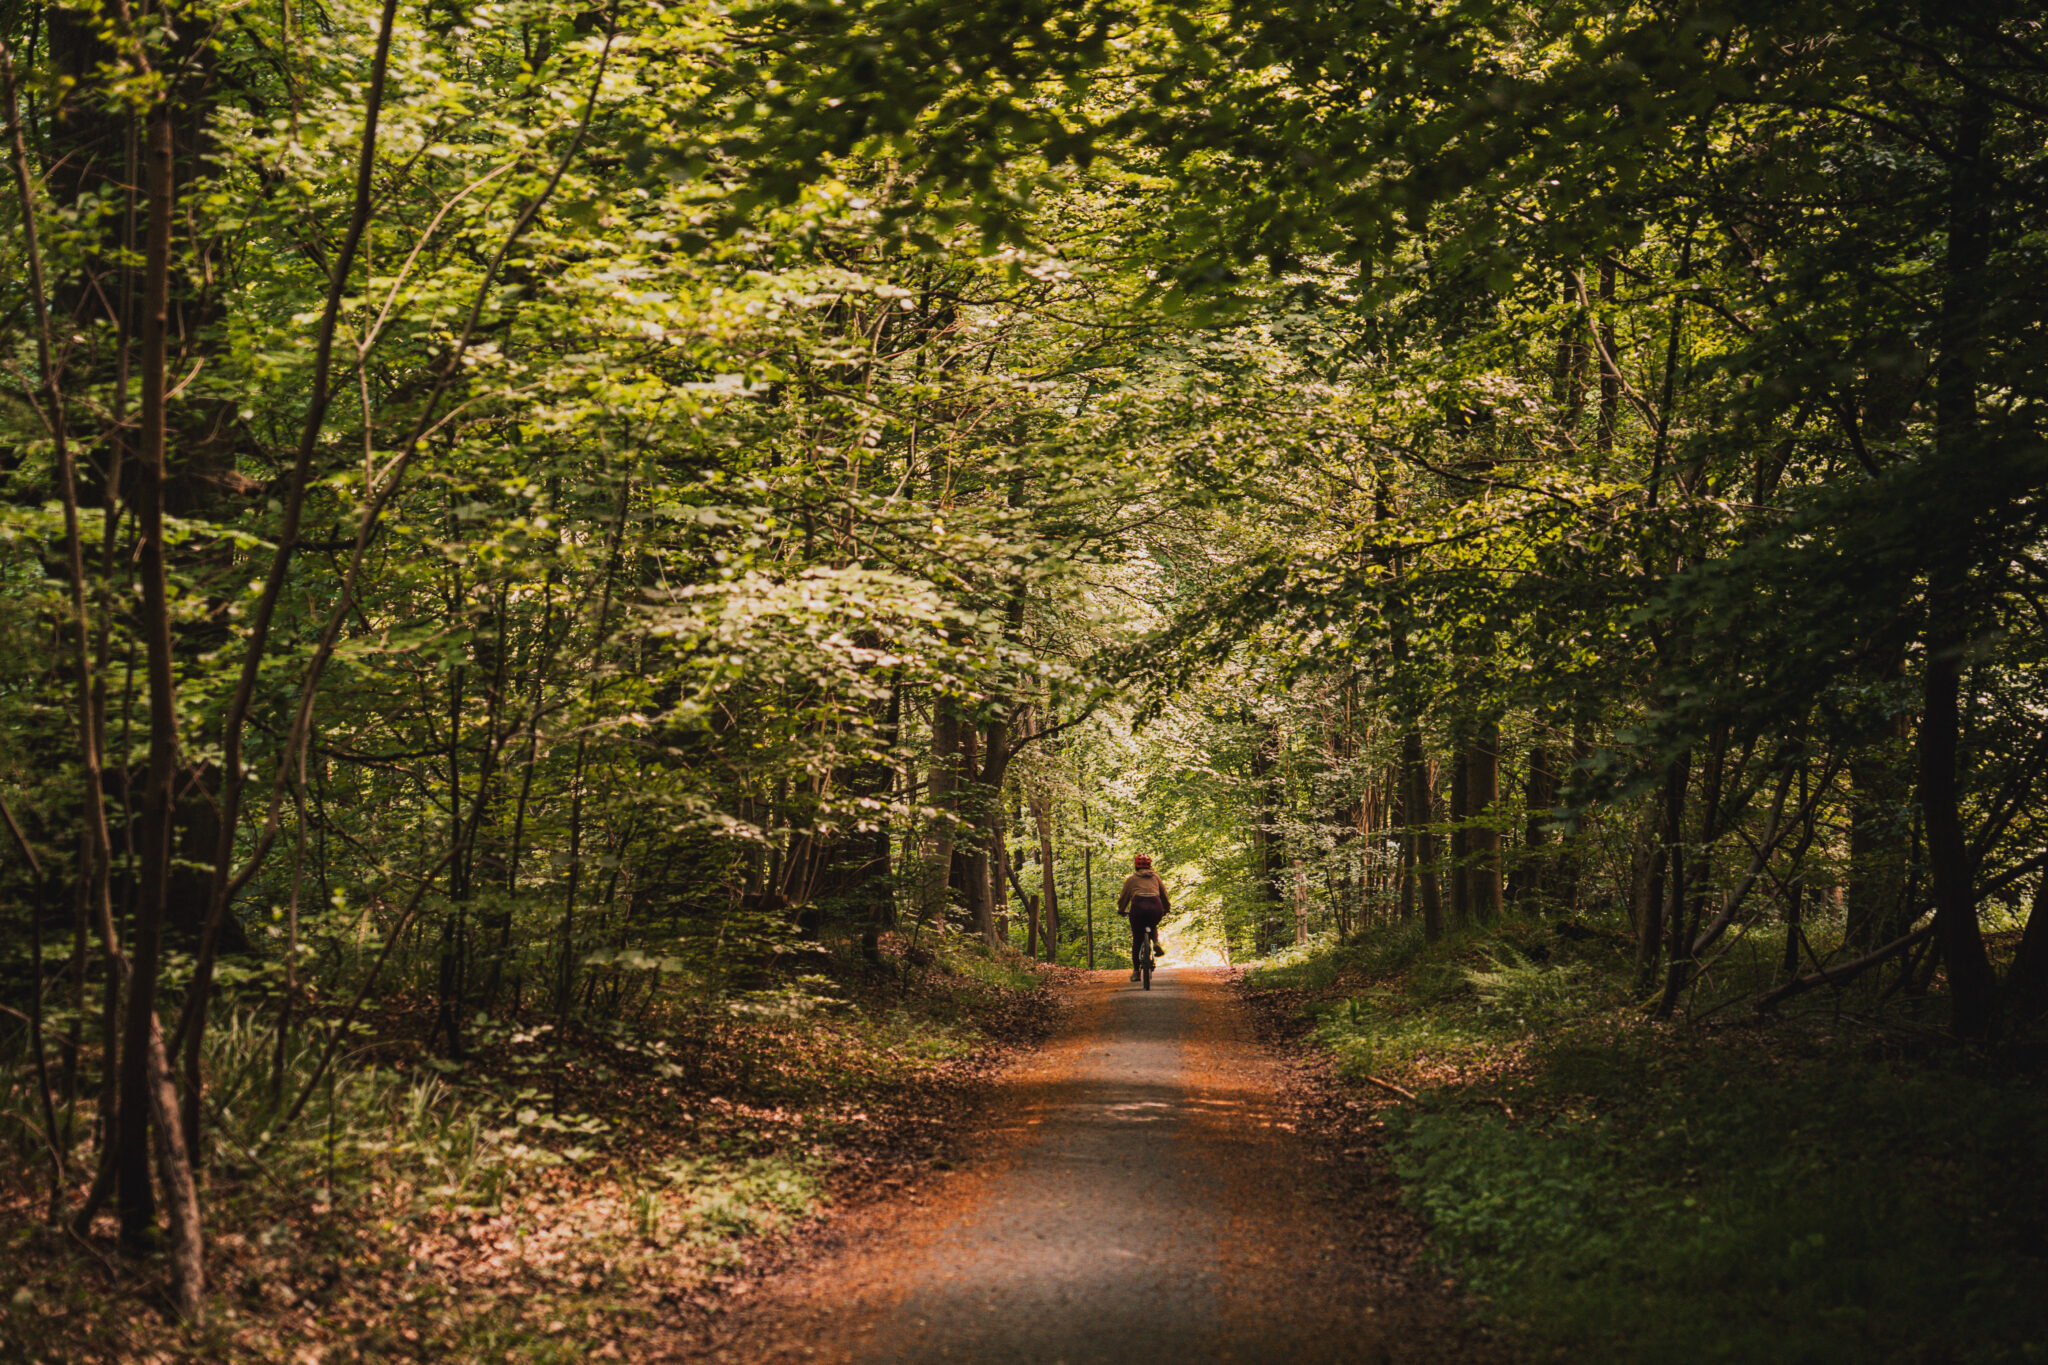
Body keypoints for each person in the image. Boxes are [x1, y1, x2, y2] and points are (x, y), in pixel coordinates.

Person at [1116, 854, 1170, 982]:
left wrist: (1121, 909)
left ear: (1136, 866)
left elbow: (1124, 896)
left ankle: (1135, 972)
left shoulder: (1132, 879)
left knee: (1137, 939)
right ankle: (1156, 942)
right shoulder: (1156, 877)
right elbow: (1164, 895)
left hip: (1138, 906)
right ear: (1150, 865)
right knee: (1152, 925)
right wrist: (1166, 908)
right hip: (1155, 905)